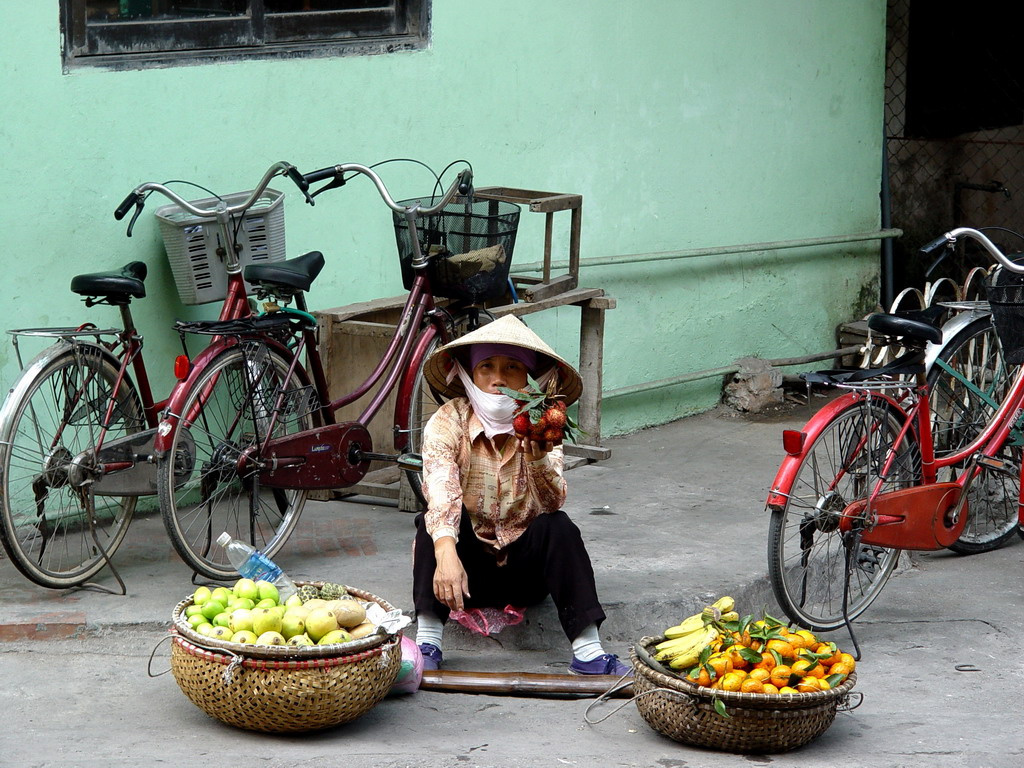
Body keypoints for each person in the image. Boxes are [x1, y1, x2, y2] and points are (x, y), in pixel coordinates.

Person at [412, 314, 629, 676]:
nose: (499, 378)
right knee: (429, 525)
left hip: (524, 573)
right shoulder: (448, 421)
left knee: (558, 526)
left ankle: (589, 652)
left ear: (530, 380)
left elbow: (553, 502)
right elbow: (441, 490)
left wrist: (539, 458)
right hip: (463, 572)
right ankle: (428, 641)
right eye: (486, 367)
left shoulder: (542, 423)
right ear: (468, 375)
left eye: (513, 368)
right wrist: (445, 551)